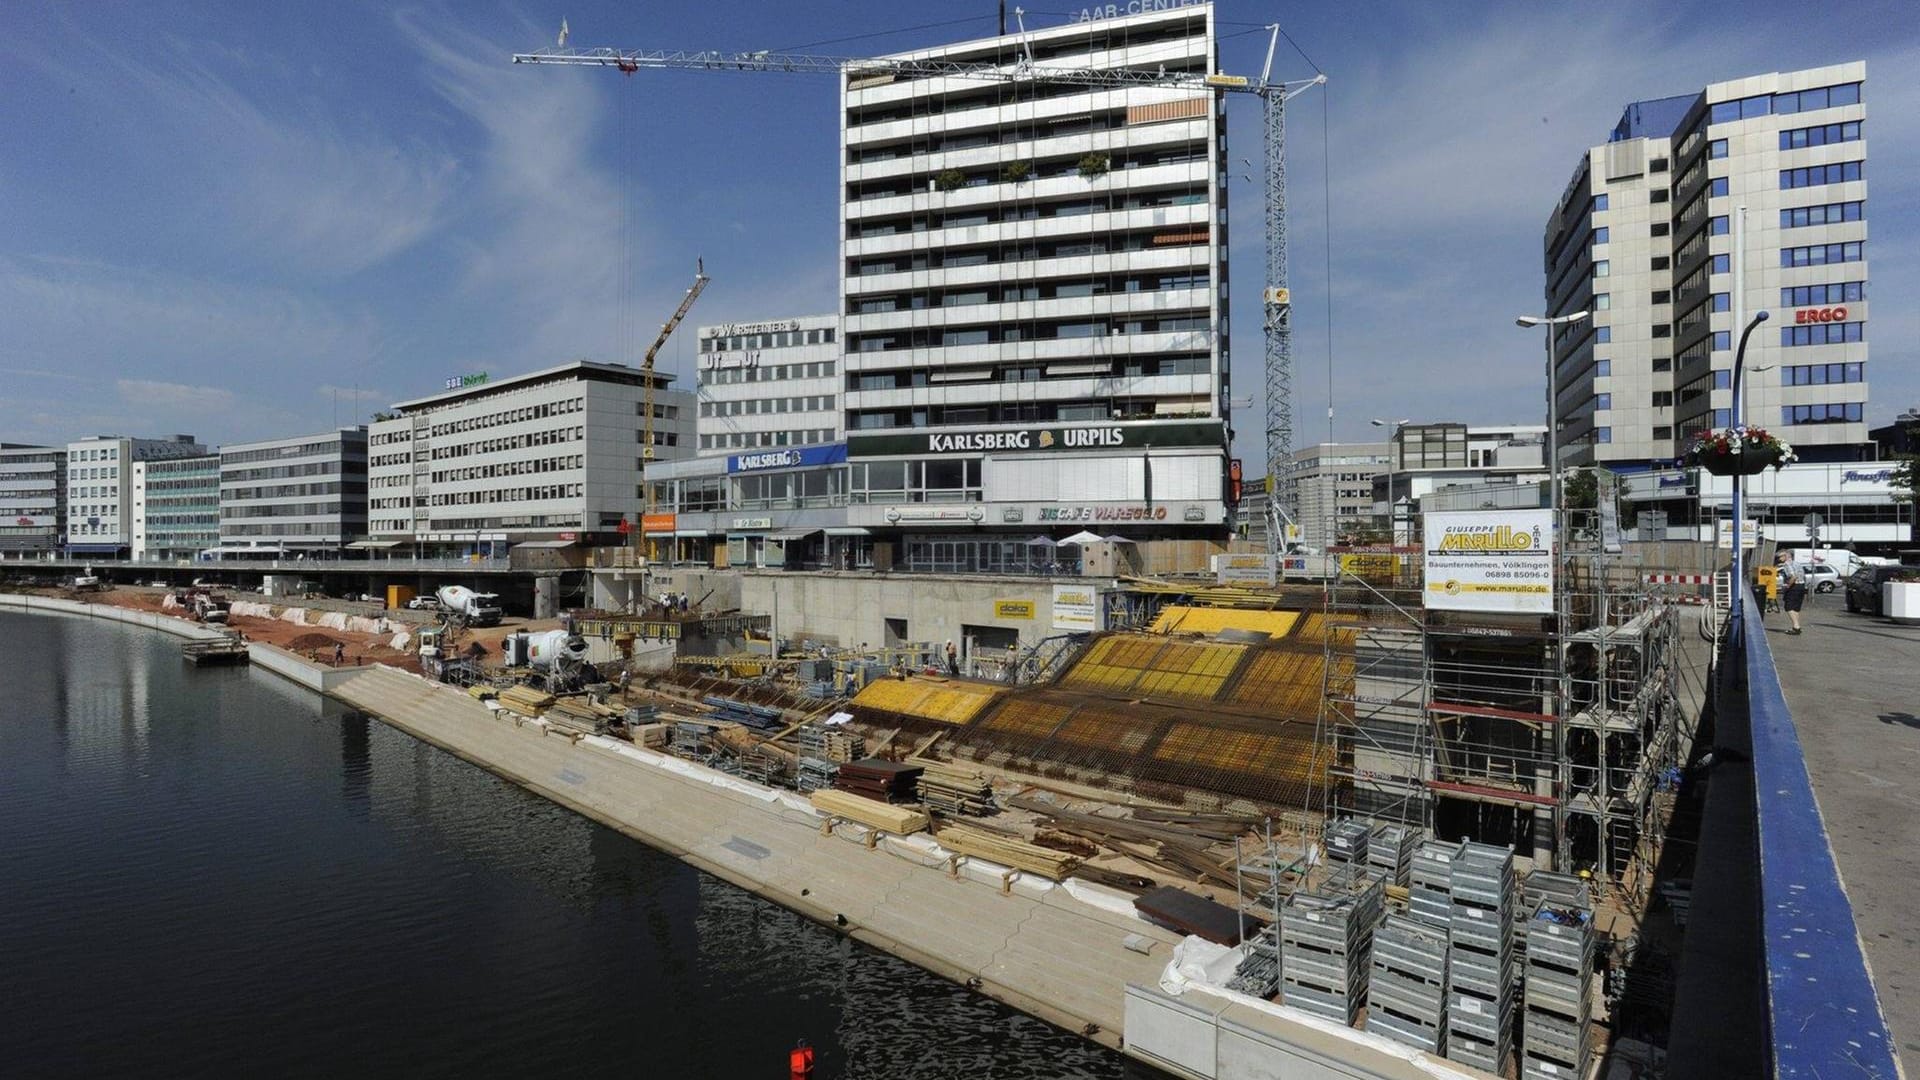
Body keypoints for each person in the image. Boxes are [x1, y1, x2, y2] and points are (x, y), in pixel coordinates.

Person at [1781, 563, 1808, 634]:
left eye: (1780, 557)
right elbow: (1803, 576)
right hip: (1801, 586)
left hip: (1794, 587)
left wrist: (1788, 586)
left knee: (1788, 607)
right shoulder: (1798, 564)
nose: (1779, 559)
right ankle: (1796, 627)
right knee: (1796, 608)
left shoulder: (1787, 565)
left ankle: (1796, 627)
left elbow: (1793, 576)